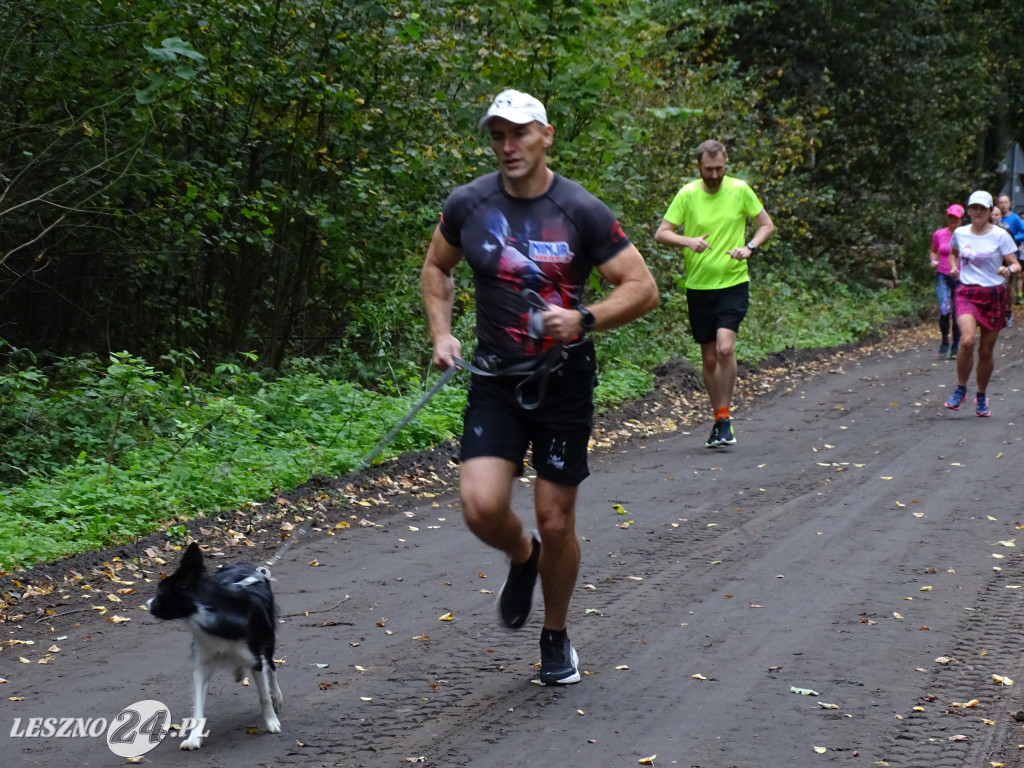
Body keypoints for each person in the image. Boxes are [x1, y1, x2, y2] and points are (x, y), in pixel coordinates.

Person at [420, 89, 659, 685]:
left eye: (519, 134)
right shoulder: (468, 204)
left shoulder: (580, 209)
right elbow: (436, 268)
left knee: (556, 522)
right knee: (480, 507)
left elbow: (642, 288)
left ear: (546, 135)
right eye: (497, 135)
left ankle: (555, 636)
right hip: (495, 379)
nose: (508, 146)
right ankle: (521, 557)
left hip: (563, 382)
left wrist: (584, 318)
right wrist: (442, 335)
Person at [654, 140, 775, 448]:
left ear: (726, 164)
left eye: (719, 168)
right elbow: (662, 233)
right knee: (708, 359)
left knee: (724, 349)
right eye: (708, 169)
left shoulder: (740, 190)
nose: (714, 174)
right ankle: (719, 418)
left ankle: (725, 417)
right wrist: (688, 241)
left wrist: (749, 248)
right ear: (699, 166)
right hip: (699, 287)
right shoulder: (688, 194)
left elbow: (766, 225)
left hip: (733, 283)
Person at [943, 191, 1021, 417]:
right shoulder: (960, 232)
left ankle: (981, 395)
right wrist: (954, 267)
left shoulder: (1000, 235)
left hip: (993, 295)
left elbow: (1016, 264)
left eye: (982, 208)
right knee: (967, 341)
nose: (977, 212)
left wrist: (1009, 269)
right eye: (974, 208)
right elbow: (953, 253)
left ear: (989, 212)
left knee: (986, 351)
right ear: (969, 210)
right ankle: (960, 389)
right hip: (967, 291)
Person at [930, 204, 964, 358]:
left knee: (957, 313)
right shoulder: (939, 234)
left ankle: (956, 345)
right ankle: (945, 342)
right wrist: (933, 261)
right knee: (944, 310)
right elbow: (934, 251)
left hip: (960, 278)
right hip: (942, 275)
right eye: (950, 217)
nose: (952, 220)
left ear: (961, 219)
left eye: (956, 218)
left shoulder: (966, 235)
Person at [996, 194, 1024, 304]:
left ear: (1010, 204)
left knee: (1008, 284)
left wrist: (1012, 238)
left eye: (1005, 202)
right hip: (996, 254)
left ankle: (1008, 311)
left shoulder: (1015, 218)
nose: (1003, 205)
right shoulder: (994, 216)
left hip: (1010, 254)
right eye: (1001, 202)